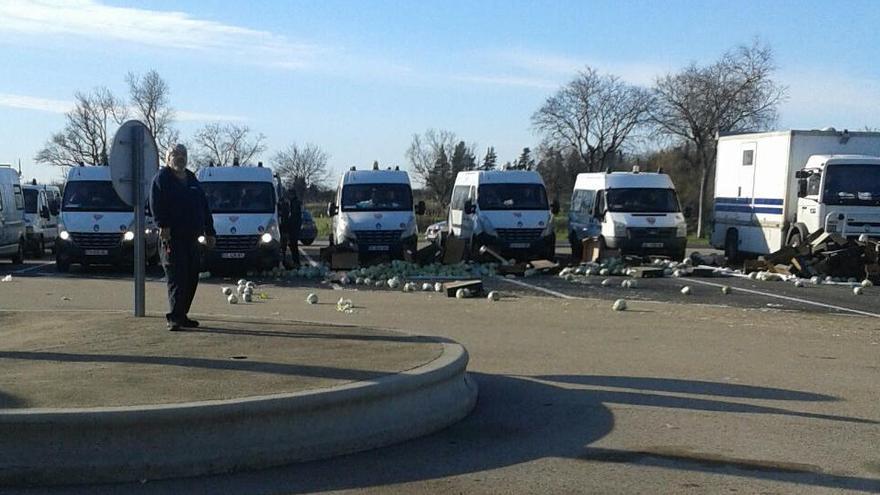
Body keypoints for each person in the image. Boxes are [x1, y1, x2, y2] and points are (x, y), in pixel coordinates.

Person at [149, 144, 215, 331]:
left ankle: (182, 314)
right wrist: (162, 225)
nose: (180, 158)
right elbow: (155, 204)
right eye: (176, 155)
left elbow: (204, 206)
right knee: (177, 276)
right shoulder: (162, 179)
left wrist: (210, 232)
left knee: (191, 276)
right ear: (168, 158)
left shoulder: (192, 179)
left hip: (192, 237)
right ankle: (174, 317)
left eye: (183, 155)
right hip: (172, 237)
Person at [279, 188, 302, 269]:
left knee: (292, 245)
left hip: (293, 227)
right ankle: (294, 262)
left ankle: (295, 263)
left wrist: (287, 224)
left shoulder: (294, 203)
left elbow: (293, 216)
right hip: (293, 227)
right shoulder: (293, 203)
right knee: (291, 245)